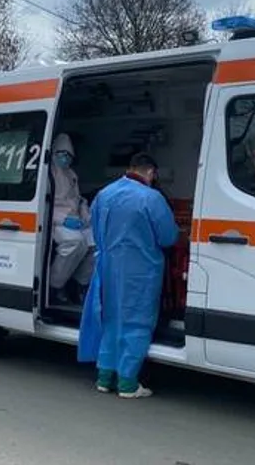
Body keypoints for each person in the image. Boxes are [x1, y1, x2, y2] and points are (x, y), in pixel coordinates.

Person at [77, 153, 179, 399]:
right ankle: (128, 384)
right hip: (140, 272)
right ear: (151, 173)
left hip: (108, 268)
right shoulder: (151, 198)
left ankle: (104, 378)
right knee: (136, 323)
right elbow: (168, 237)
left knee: (111, 320)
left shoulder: (104, 194)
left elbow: (96, 230)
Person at [49, 134, 94, 305]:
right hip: (56, 222)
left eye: (68, 155)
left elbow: (78, 199)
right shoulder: (48, 174)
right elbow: (42, 205)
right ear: (53, 152)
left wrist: (85, 215)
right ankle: (55, 286)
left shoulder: (71, 174)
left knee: (96, 243)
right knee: (75, 242)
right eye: (61, 153)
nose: (65, 158)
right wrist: (63, 219)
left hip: (75, 219)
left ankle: (79, 285)